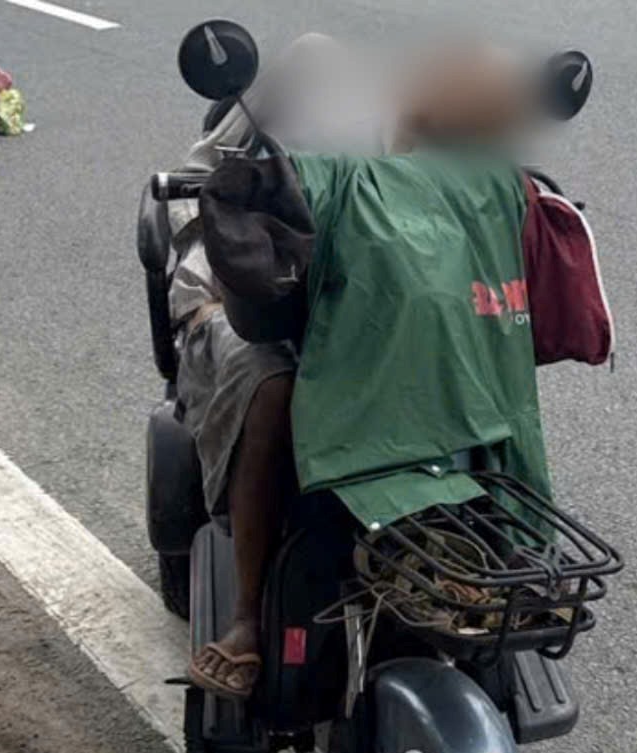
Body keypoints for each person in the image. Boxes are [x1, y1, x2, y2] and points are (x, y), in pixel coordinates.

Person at [170, 34, 581, 697]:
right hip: (264, 287)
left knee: (462, 368)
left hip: (361, 298)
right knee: (272, 386)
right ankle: (248, 612)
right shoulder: (314, 74)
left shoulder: (456, 147)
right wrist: (236, 202)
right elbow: (213, 178)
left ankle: (472, 543)